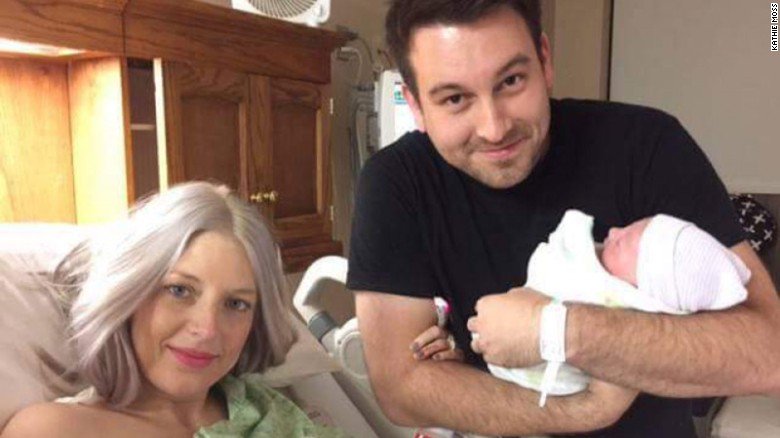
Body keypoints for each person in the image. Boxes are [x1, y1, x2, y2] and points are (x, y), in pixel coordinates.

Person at [347, 1, 780, 437]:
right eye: (455, 99)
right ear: (416, 105)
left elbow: (769, 354)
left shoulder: (647, 145)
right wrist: (589, 410)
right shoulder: (396, 184)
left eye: (511, 81)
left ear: (545, 61)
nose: (494, 128)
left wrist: (560, 330)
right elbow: (401, 387)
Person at [1, 182, 346, 438]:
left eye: (235, 304)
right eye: (179, 291)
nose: (207, 329)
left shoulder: (271, 414)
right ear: (129, 293)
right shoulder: (54, 430)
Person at [412, 210, 751, 403]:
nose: (613, 231)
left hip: (545, 395)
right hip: (482, 363)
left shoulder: (623, 305)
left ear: (644, 284)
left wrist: (550, 328)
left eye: (625, 242)